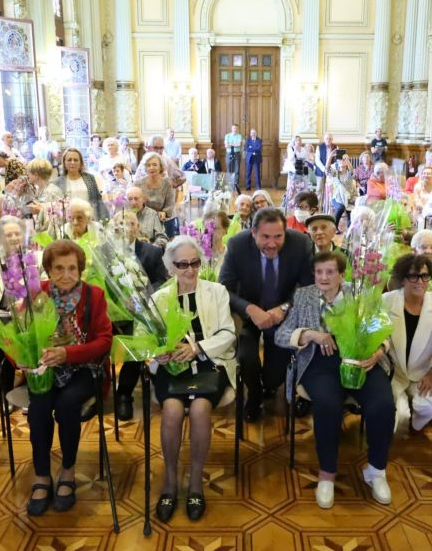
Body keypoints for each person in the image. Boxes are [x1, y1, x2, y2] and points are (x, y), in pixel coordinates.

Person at [275, 251, 393, 508]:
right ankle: (327, 473)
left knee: (383, 405)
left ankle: (376, 470)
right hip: (320, 364)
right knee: (328, 406)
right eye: (319, 272)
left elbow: (383, 330)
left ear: (342, 274)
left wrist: (378, 351)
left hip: (362, 361)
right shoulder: (304, 296)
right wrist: (310, 334)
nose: (324, 277)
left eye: (330, 272)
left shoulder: (360, 293)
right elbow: (281, 335)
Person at [149, 236, 237, 522]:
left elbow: (227, 334)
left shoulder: (216, 291)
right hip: (173, 369)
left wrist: (197, 348)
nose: (190, 270)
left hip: (210, 364)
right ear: (170, 267)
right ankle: (171, 482)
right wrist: (158, 355)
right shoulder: (159, 298)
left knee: (200, 409)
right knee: (172, 411)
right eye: (183, 264)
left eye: (195, 263)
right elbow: (147, 342)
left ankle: (196, 481)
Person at [25, 240, 113, 515]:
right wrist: (25, 356)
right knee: (38, 409)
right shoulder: (37, 293)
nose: (66, 274)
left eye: (72, 268)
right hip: (46, 368)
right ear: (48, 271)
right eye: (59, 268)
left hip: (85, 368)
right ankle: (41, 475)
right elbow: (18, 334)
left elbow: (104, 341)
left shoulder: (94, 295)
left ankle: (68, 470)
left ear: (81, 269)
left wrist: (68, 353)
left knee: (66, 406)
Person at [219, 207, 314, 421]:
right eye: (265, 237)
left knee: (273, 377)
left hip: (283, 314)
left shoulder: (301, 244)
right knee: (246, 357)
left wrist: (284, 307)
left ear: (285, 232)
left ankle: (268, 387)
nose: (272, 244)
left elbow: (307, 286)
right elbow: (224, 287)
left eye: (278, 236)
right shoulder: (237, 245)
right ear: (253, 233)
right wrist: (249, 309)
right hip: (248, 312)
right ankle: (253, 395)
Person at [383, 254, 432, 433]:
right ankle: (403, 410)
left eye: (425, 276)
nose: (420, 281)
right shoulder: (387, 301)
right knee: (397, 416)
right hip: (391, 372)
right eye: (413, 276)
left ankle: (415, 414)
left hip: (423, 371)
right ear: (402, 279)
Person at [113, 209, 168, 421]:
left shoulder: (151, 252)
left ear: (138, 227)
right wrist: (119, 303)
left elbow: (160, 281)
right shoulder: (105, 252)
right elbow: (101, 286)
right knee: (134, 338)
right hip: (118, 316)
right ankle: (124, 394)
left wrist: (143, 299)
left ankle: (160, 380)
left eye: (131, 223)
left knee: (158, 333)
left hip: (147, 310)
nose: (126, 227)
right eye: (121, 223)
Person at [45, 148, 109, 221]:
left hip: (90, 221)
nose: (72, 162)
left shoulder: (93, 179)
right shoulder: (57, 183)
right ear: (64, 162)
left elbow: (101, 202)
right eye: (69, 160)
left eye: (75, 160)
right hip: (69, 223)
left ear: (81, 163)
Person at [135, 152, 177, 237]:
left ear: (161, 167)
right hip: (143, 216)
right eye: (148, 165)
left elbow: (170, 203)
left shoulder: (167, 184)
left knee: (169, 223)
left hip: (162, 217)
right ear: (145, 168)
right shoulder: (138, 184)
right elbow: (134, 203)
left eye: (154, 165)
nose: (151, 168)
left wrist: (164, 212)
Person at [328, 155, 357, 225]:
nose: (341, 162)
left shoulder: (349, 174)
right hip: (337, 198)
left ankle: (350, 231)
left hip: (349, 198)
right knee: (341, 208)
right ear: (338, 164)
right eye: (340, 161)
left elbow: (352, 171)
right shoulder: (336, 173)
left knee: (350, 211)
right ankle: (334, 226)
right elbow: (328, 168)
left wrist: (348, 161)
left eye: (343, 160)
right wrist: (330, 156)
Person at [315, 133, 336, 201]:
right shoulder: (319, 147)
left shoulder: (336, 147)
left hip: (331, 171)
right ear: (324, 139)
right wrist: (324, 169)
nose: (328, 140)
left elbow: (337, 159)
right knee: (319, 189)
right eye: (327, 138)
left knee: (330, 189)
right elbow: (317, 160)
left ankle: (328, 206)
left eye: (330, 138)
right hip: (321, 171)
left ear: (332, 139)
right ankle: (317, 205)